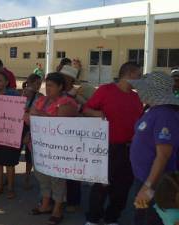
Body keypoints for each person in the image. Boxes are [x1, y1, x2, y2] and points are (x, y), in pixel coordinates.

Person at [83, 62, 143, 225]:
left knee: (122, 188)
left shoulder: (136, 97)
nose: (140, 78)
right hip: (106, 148)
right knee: (101, 185)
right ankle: (93, 218)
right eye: (139, 75)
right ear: (129, 74)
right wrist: (96, 113)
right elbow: (86, 109)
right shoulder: (105, 90)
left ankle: (112, 218)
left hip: (129, 149)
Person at [128, 72, 179, 225]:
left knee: (149, 219)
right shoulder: (153, 110)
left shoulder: (165, 115)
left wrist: (148, 187)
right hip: (145, 177)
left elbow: (163, 155)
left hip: (156, 182)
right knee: (141, 216)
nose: (139, 92)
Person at [29, 72, 78, 225]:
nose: (47, 88)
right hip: (39, 147)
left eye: (51, 86)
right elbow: (29, 117)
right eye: (46, 85)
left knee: (57, 179)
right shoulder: (41, 100)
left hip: (58, 150)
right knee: (42, 177)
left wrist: (38, 115)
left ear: (60, 87)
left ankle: (57, 208)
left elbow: (60, 124)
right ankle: (45, 204)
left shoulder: (67, 102)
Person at [59, 64, 95, 212]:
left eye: (64, 77)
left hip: (75, 135)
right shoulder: (57, 91)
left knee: (73, 170)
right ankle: (60, 198)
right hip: (59, 135)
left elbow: (89, 109)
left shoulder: (81, 91)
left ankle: (74, 201)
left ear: (70, 79)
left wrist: (76, 99)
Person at [0, 71, 20, 200]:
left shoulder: (14, 94)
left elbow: (18, 113)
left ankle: (11, 189)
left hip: (10, 134)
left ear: (7, 82)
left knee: (10, 163)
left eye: (0, 80)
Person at [21, 74, 43, 189]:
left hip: (32, 127)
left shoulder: (40, 96)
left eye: (40, 84)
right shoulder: (23, 93)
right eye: (37, 83)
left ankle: (27, 177)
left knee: (30, 154)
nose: (39, 86)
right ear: (30, 83)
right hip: (20, 126)